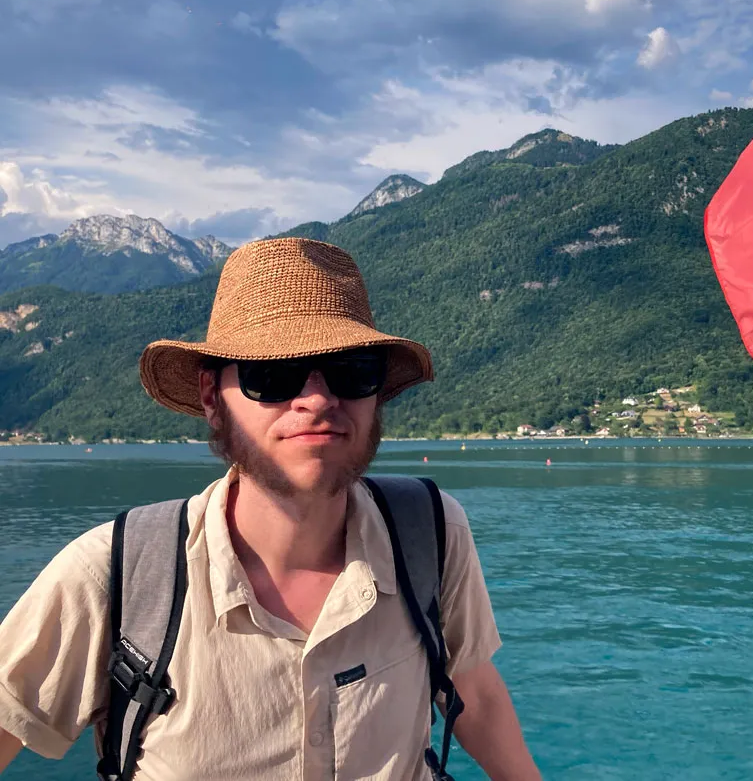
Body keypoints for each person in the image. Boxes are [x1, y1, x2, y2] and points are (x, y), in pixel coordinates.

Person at [0, 237, 540, 780]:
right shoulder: (112, 576)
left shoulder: (432, 534)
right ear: (212, 397)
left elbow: (472, 691)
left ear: (376, 393)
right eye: (274, 374)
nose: (318, 400)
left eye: (353, 370)